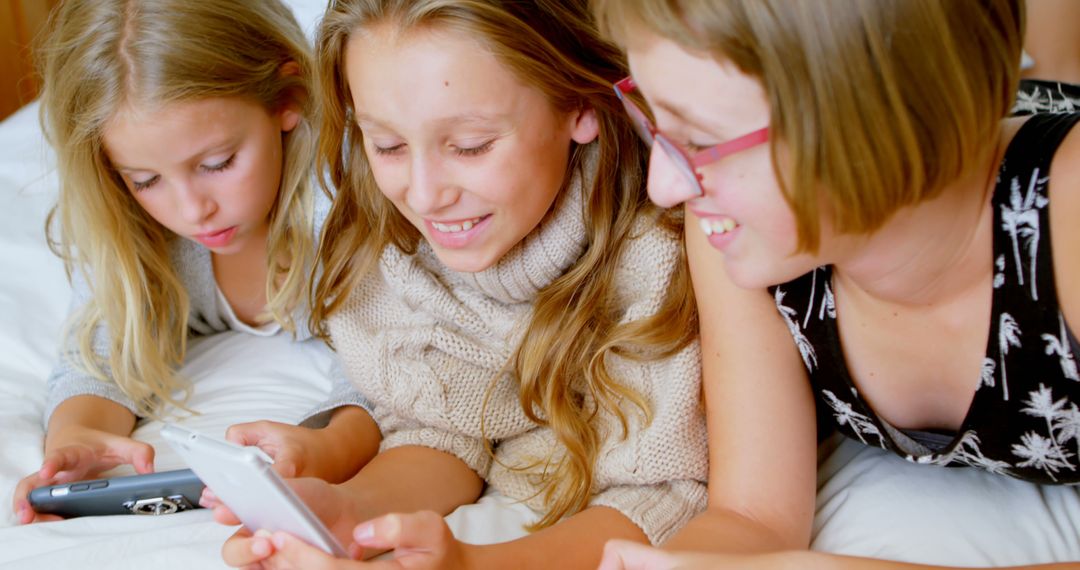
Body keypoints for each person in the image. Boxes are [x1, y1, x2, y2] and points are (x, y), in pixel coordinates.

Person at [212, 0, 707, 567]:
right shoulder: (397, 242)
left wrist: (471, 563)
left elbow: (665, 498)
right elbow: (443, 425)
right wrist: (351, 511)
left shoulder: (660, 256)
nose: (424, 196)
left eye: (470, 145)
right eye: (388, 145)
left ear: (578, 105)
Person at [590, 0, 1080, 568]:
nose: (663, 188)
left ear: (873, 129)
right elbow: (753, 519)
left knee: (1048, 55)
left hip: (1026, 128)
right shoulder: (737, 234)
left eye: (699, 140)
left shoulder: (1065, 220)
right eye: (655, 123)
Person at [11, 0, 379, 525]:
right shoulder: (132, 220)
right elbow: (101, 349)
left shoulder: (343, 197)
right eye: (145, 179)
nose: (191, 210)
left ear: (288, 99)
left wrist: (332, 444)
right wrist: (75, 438)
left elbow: (392, 365)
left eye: (217, 164)